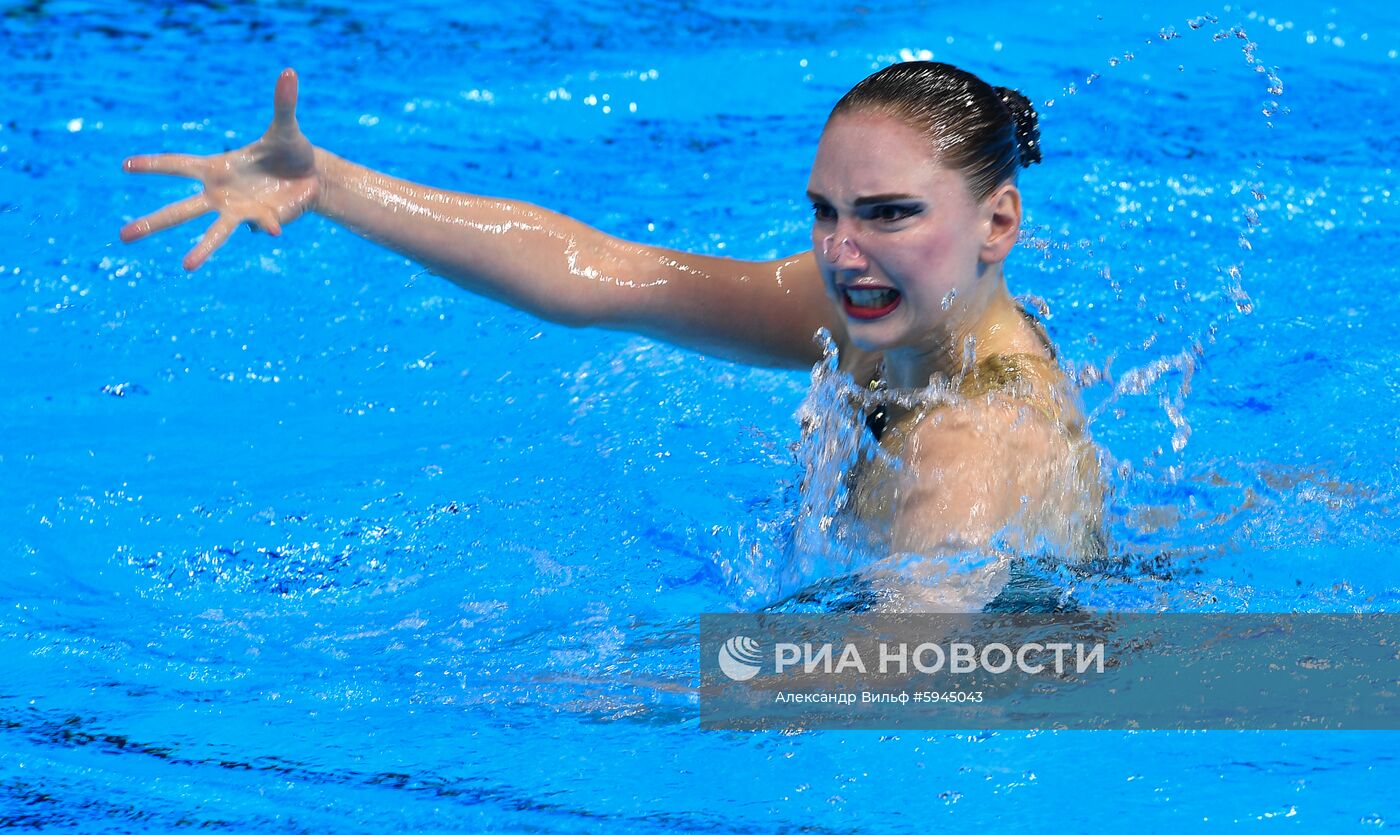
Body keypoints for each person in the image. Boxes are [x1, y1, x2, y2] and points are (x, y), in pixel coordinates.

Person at [119, 63, 1103, 611]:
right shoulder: (899, 309)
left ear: (997, 223)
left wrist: (642, 697)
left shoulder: (966, 453)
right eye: (825, 213)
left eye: (886, 213)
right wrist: (329, 185)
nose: (842, 253)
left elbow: (896, 683)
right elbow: (603, 274)